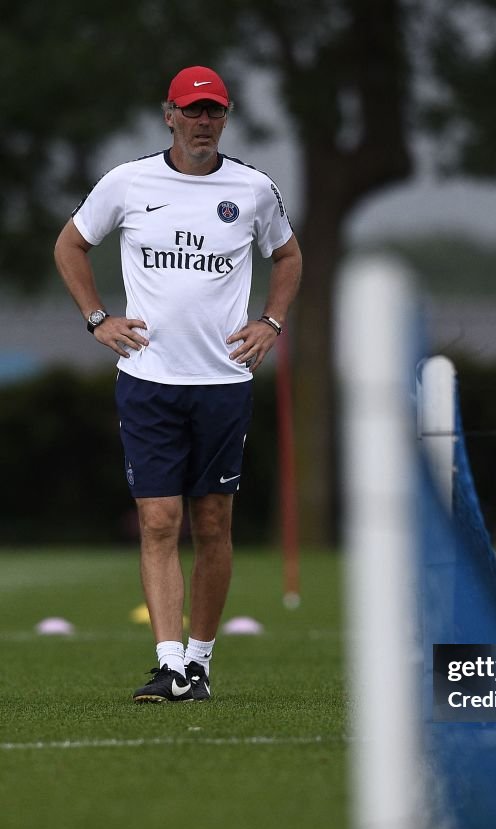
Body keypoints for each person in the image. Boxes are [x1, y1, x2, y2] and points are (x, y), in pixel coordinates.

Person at [54, 66, 302, 703]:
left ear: (226, 117)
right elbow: (70, 246)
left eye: (213, 112)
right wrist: (97, 319)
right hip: (148, 380)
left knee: (213, 522)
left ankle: (200, 662)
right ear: (169, 115)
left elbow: (289, 256)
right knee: (160, 521)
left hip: (223, 382)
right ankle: (169, 664)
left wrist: (270, 322)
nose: (202, 122)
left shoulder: (253, 189)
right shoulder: (128, 181)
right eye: (191, 112)